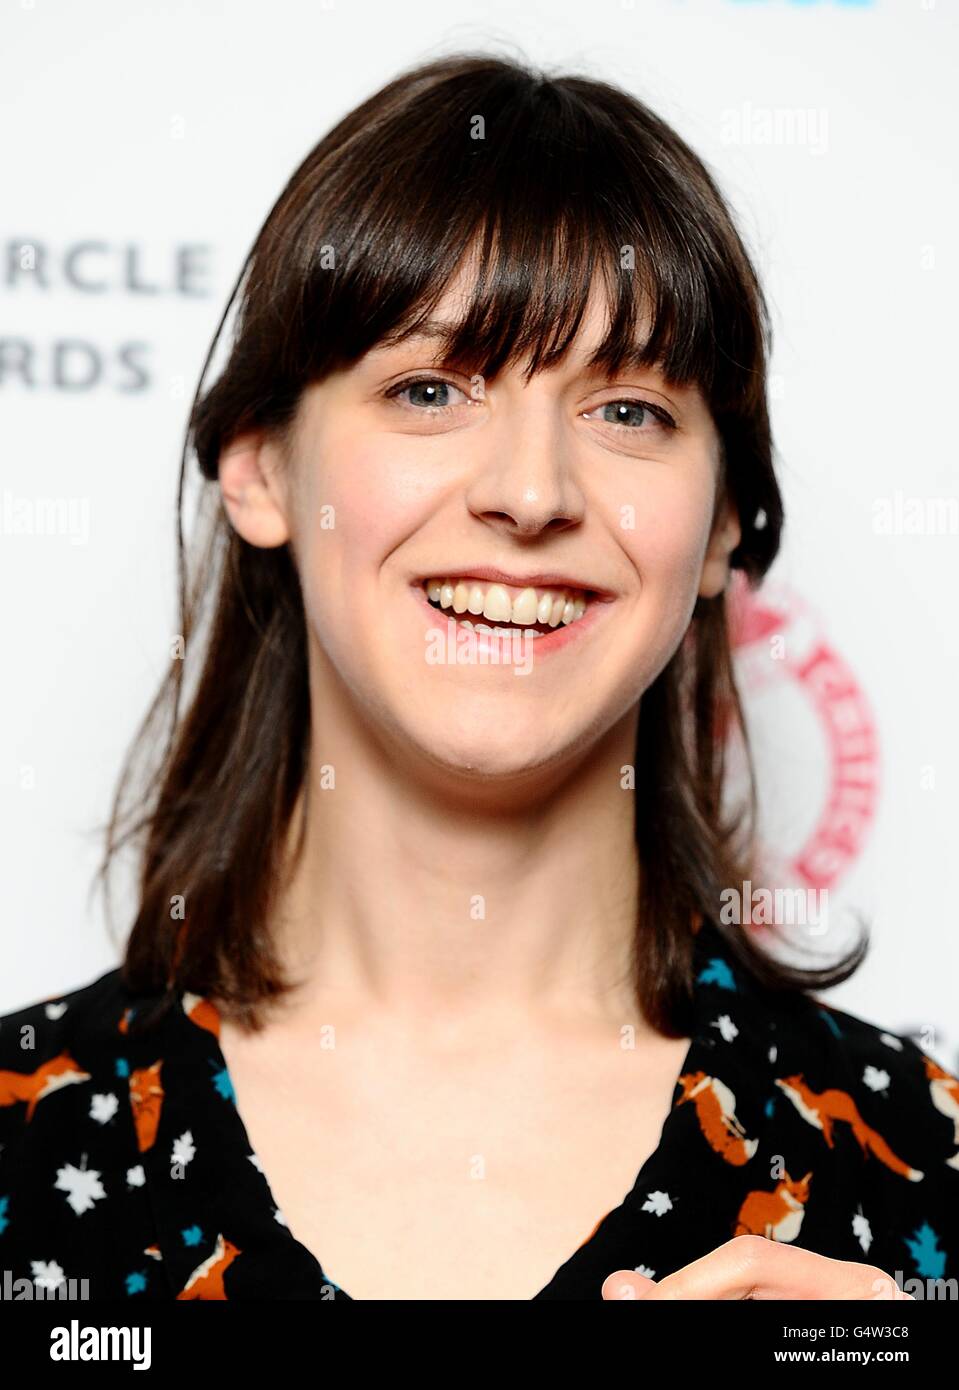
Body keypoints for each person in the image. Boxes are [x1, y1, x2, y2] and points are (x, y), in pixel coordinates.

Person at [1, 52, 956, 1302]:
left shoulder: (917, 1160)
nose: (528, 493)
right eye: (429, 387)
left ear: (722, 522)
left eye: (627, 410)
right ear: (260, 470)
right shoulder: (25, 1141)